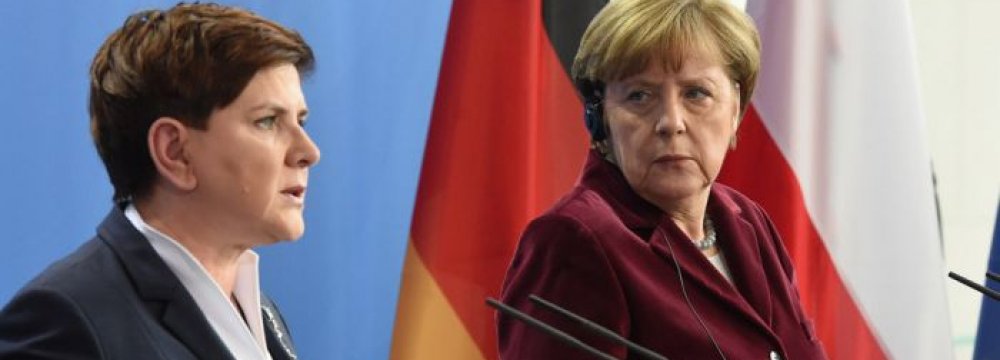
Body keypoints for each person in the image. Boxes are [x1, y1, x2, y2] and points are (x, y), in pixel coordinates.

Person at [497, 0, 828, 359]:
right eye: (639, 96)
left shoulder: (749, 222)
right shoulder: (573, 241)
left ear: (735, 109)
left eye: (696, 93)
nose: (671, 122)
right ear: (601, 119)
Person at [0, 3, 319, 359]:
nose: (308, 151)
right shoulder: (66, 321)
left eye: (300, 122)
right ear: (175, 152)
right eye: (268, 121)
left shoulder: (258, 309)